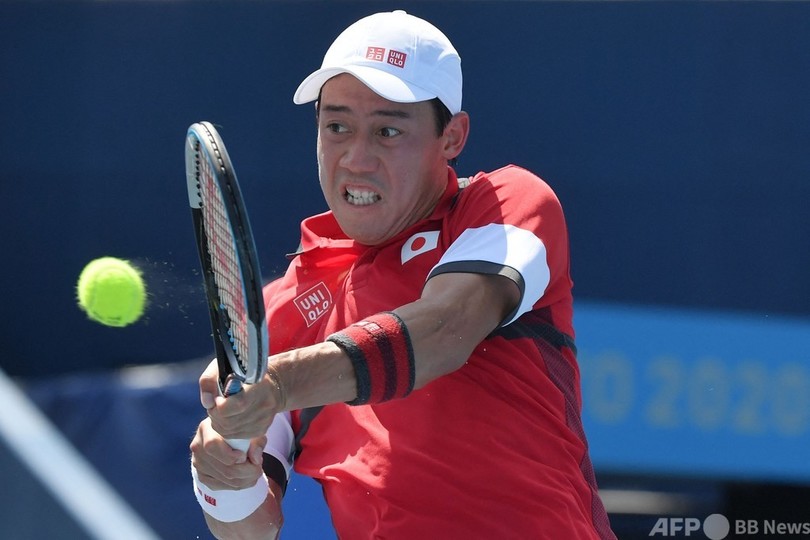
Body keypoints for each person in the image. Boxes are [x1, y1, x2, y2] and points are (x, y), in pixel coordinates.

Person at [190, 10, 616, 539]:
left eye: (388, 130)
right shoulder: (282, 314)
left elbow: (444, 330)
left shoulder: (507, 206)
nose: (356, 158)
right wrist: (224, 474)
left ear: (452, 137)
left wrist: (278, 383)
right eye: (337, 127)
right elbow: (249, 530)